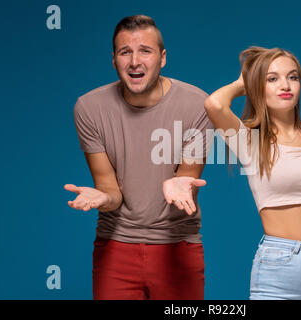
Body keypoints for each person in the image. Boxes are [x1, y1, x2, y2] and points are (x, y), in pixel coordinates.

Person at [64, 15, 214, 300]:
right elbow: (110, 191)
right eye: (125, 52)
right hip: (115, 248)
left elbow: (188, 178)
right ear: (114, 60)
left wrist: (181, 183)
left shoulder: (197, 105)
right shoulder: (89, 108)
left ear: (163, 58)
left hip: (177, 247)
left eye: (145, 50)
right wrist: (102, 198)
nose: (135, 61)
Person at [203, 46, 301, 300]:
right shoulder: (249, 140)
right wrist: (244, 82)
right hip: (280, 266)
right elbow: (214, 104)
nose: (285, 85)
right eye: (272, 79)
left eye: (292, 77)